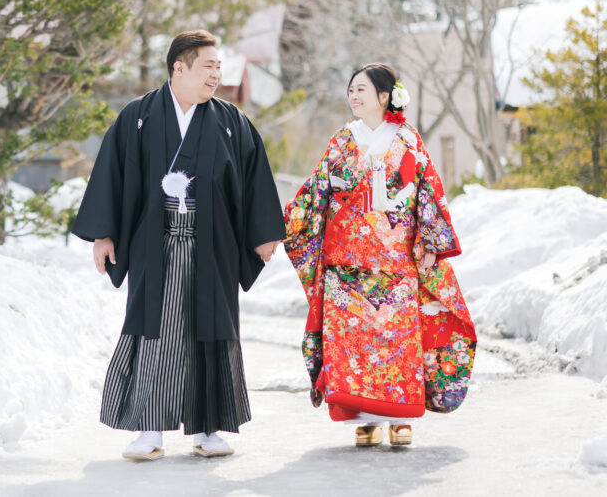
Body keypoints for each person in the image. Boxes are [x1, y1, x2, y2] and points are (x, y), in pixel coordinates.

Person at [72, 30, 286, 461]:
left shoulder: (230, 121)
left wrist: (264, 234)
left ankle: (208, 429)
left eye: (219, 67)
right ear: (179, 68)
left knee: (211, 331)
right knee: (157, 331)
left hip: (214, 246)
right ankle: (149, 429)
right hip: (156, 243)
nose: (216, 76)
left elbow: (253, 177)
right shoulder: (139, 116)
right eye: (209, 66)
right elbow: (111, 174)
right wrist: (103, 232)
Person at [283, 63, 477, 447]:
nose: (353, 96)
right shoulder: (342, 139)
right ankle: (365, 417)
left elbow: (427, 193)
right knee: (353, 346)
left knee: (395, 342)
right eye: (350, 90)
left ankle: (401, 418)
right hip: (346, 263)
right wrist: (283, 221)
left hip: (395, 259)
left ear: (385, 96)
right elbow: (316, 190)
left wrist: (429, 242)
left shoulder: (407, 139)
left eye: (361, 90)